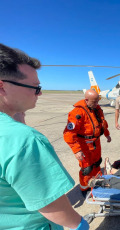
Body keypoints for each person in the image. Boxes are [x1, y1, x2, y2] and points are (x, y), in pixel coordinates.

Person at [0, 43, 89, 229]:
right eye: (34, 87)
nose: (39, 93)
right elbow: (51, 206)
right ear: (2, 86)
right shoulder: (24, 140)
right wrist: (80, 225)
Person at [63, 89, 111, 195]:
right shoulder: (77, 113)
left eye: (97, 101)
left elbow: (102, 123)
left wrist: (107, 134)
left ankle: (96, 182)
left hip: (96, 143)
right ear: (86, 100)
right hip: (84, 144)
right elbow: (68, 134)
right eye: (94, 102)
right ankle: (84, 188)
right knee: (87, 168)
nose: (96, 104)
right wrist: (76, 151)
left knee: (97, 163)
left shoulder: (97, 109)